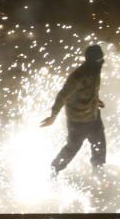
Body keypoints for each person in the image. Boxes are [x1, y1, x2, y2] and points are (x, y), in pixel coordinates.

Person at [41, 44, 107, 176]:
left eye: (102, 59)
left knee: (99, 145)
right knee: (72, 148)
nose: (102, 62)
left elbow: (90, 89)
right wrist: (53, 116)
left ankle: (98, 172)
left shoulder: (95, 70)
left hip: (93, 116)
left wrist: (95, 100)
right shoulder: (78, 76)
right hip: (78, 120)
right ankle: (54, 169)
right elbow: (63, 95)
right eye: (99, 60)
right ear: (91, 61)